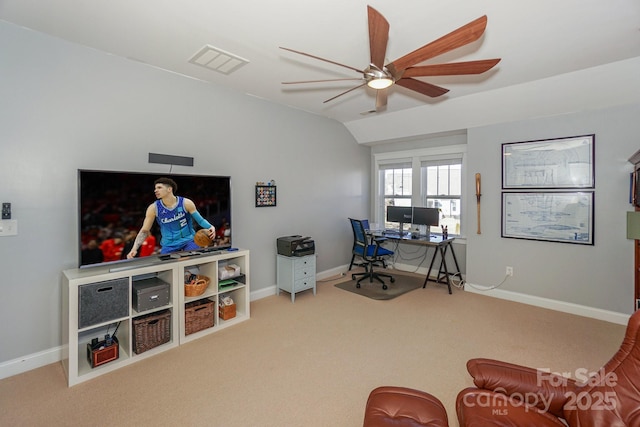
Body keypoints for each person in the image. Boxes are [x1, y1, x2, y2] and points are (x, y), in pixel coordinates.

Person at [127, 177, 215, 258]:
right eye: (155, 188)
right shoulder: (153, 208)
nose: (155, 190)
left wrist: (211, 227)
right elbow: (145, 230)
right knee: (166, 271)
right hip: (169, 244)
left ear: (169, 189)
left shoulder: (186, 203)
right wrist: (134, 248)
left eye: (159, 188)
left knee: (193, 267)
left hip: (188, 240)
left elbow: (200, 220)